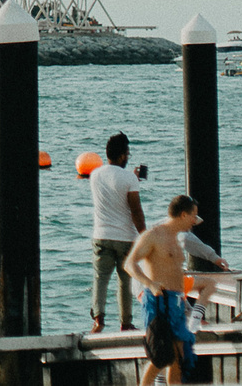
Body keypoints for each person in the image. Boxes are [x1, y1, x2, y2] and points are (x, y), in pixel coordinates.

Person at [123, 195, 203, 385]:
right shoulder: (153, 236)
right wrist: (149, 283)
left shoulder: (176, 238)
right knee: (160, 356)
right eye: (193, 216)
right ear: (183, 215)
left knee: (178, 357)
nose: (195, 221)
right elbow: (129, 264)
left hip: (176, 301)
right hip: (159, 300)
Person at [88, 133, 148, 334]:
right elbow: (135, 210)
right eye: (128, 153)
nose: (128, 156)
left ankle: (99, 320)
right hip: (125, 237)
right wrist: (144, 234)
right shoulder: (129, 178)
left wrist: (131, 178)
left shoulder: (95, 174)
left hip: (101, 235)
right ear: (122, 155)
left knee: (100, 278)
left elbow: (112, 188)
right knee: (124, 280)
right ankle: (125, 323)